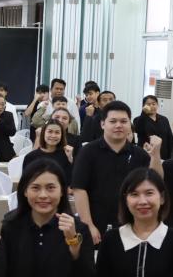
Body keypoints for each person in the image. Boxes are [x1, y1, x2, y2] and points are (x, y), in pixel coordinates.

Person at [70, 101, 163, 246]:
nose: (118, 125)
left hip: (132, 226)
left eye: (124, 121)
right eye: (113, 121)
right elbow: (79, 189)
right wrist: (88, 225)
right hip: (96, 224)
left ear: (129, 125)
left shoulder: (139, 154)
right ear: (103, 124)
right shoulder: (88, 152)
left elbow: (156, 182)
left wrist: (155, 154)